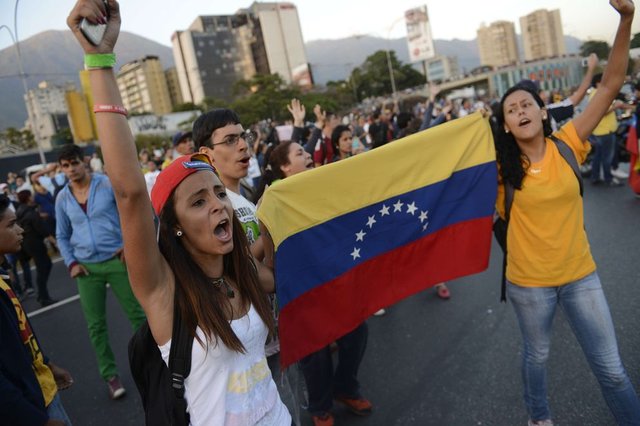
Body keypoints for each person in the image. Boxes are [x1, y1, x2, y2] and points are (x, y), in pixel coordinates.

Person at [66, 1, 292, 423]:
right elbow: (130, 193)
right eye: (198, 202)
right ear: (175, 227)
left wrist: (278, 214)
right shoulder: (165, 293)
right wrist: (99, 60)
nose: (218, 205)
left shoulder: (238, 268)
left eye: (217, 195)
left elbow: (276, 278)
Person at [493, 2, 639, 425]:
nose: (520, 111)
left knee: (612, 371)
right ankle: (538, 416)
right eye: (511, 109)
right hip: (529, 287)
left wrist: (626, 19)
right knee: (536, 356)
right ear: (505, 125)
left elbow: (611, 85)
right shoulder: (498, 170)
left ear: (544, 111)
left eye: (527, 105)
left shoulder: (568, 142)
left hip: (581, 277)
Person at [255, 138, 371, 426]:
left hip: (333, 282)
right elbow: (268, 254)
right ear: (285, 167)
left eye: (306, 152)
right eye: (300, 153)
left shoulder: (322, 184)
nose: (308, 155)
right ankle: (320, 408)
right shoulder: (272, 200)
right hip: (301, 291)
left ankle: (345, 388)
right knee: (315, 354)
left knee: (356, 334)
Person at [55, 143, 146, 400]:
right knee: (96, 326)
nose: (71, 169)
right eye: (65, 165)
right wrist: (72, 263)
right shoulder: (63, 198)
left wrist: (128, 245)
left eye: (74, 163)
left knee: (138, 314)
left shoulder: (105, 184)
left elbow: (128, 214)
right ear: (61, 169)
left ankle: (151, 362)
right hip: (86, 269)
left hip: (117, 260)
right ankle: (110, 376)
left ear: (84, 162)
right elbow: (61, 235)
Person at [0, 195, 74, 425]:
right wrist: (36, 421)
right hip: (31, 408)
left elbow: (22, 336)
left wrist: (47, 364)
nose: (21, 230)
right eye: (11, 225)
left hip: (43, 390)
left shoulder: (3, 278)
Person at [15, 190, 57, 307]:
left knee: (43, 267)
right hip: (35, 243)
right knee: (44, 267)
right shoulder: (32, 213)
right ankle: (43, 296)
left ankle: (42, 295)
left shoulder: (21, 210)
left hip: (27, 244)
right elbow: (43, 230)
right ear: (28, 198)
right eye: (31, 195)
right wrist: (56, 242)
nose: (34, 197)